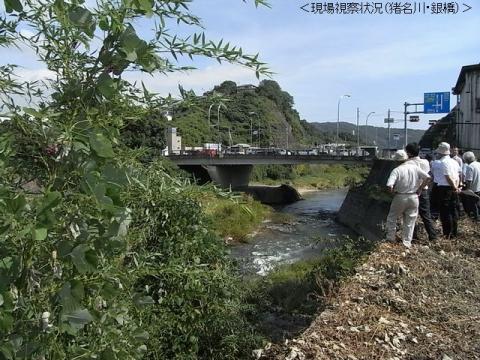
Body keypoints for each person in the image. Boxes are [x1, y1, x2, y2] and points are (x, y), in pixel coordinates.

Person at [386, 150, 431, 248]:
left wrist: (393, 192)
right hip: (414, 197)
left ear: (396, 161)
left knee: (392, 218)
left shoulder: (396, 170)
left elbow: (389, 185)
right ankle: (406, 243)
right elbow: (428, 178)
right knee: (410, 221)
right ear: (406, 158)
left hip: (400, 196)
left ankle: (391, 238)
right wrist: (420, 189)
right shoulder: (414, 167)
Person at [405, 143, 437, 241]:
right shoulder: (425, 162)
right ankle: (433, 237)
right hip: (424, 191)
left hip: (411, 191)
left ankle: (413, 237)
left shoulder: (407, 163)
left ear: (409, 153)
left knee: (410, 215)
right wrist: (421, 188)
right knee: (426, 216)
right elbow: (427, 177)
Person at [434, 142, 461, 238]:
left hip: (444, 188)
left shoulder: (443, 162)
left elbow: (448, 177)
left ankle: (448, 234)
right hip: (453, 188)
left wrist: (454, 186)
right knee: (453, 211)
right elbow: (457, 176)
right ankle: (454, 232)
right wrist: (456, 187)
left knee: (445, 212)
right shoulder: (455, 162)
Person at [462, 151, 480, 220]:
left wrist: (467, 189)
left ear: (466, 160)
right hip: (479, 186)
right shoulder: (479, 164)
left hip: (474, 188)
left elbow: (469, 179)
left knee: (474, 204)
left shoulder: (470, 167)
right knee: (478, 203)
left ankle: (476, 218)